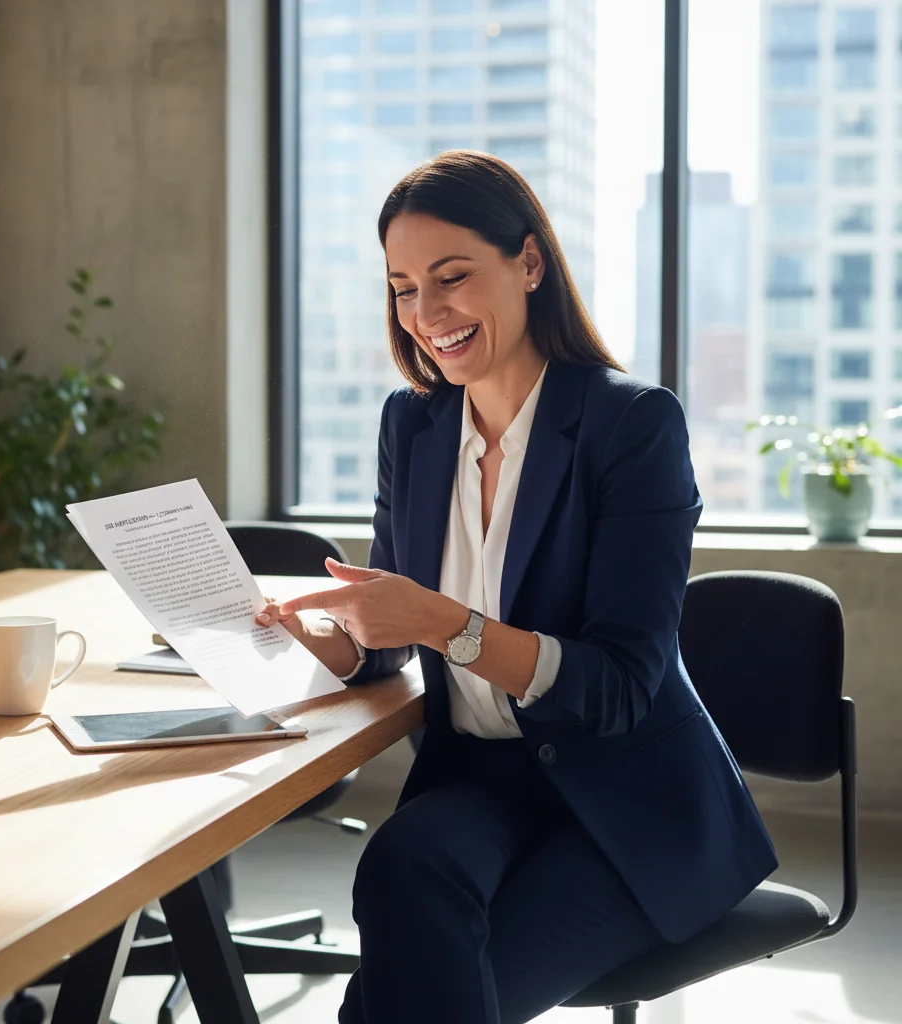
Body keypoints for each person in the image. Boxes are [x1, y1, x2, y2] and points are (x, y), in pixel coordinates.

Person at [255, 151, 777, 1024]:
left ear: (529, 264)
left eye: (452, 278)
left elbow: (617, 688)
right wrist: (332, 641)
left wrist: (443, 623)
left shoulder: (630, 425)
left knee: (408, 1006)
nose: (428, 314)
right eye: (403, 288)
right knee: (400, 864)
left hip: (628, 806)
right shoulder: (412, 426)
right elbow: (389, 631)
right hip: (483, 781)